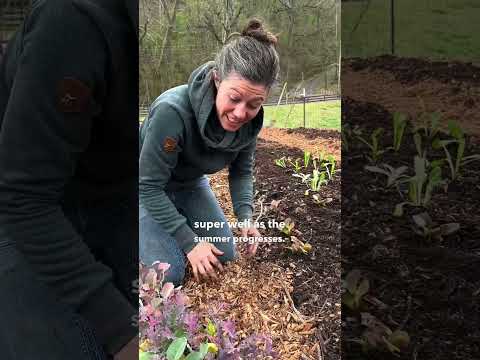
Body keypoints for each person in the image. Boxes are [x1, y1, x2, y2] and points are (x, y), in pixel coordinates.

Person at [0, 0, 139, 359]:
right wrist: (122, 333)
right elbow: (21, 196)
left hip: (99, 190)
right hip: (20, 198)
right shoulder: (73, 22)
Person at [139, 19, 280, 285]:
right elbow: (148, 186)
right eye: (234, 98)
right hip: (147, 187)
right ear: (217, 79)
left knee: (224, 252)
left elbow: (242, 170)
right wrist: (190, 242)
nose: (241, 113)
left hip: (189, 184)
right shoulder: (172, 112)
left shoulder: (249, 123)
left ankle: (172, 223)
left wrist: (245, 216)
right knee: (170, 274)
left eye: (254, 103)